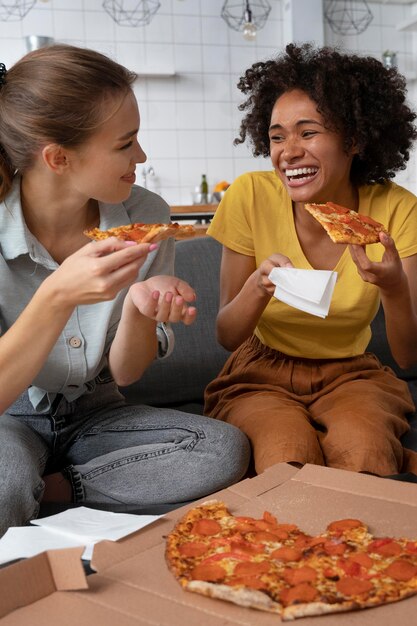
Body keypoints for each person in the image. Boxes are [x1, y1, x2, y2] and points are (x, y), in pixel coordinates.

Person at [0, 44, 250, 537]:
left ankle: (53, 489)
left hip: (99, 412)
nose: (141, 156)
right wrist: (59, 295)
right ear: (58, 158)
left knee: (223, 450)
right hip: (11, 417)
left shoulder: (145, 214)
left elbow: (126, 372)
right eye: (124, 144)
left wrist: (139, 309)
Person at [204, 43, 417, 478]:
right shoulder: (249, 195)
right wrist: (258, 287)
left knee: (365, 450)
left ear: (354, 139)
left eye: (308, 132)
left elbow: (408, 356)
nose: (289, 151)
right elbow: (227, 335)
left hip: (352, 375)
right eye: (277, 136)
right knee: (286, 454)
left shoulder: (398, 210)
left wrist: (394, 288)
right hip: (260, 371)